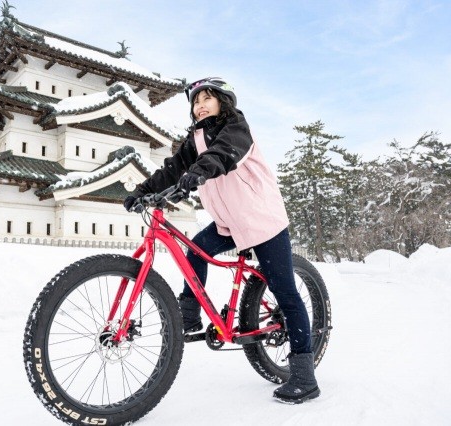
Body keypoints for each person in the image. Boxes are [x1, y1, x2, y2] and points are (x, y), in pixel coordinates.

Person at [123, 77, 319, 404]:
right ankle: (188, 317)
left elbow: (222, 154)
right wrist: (143, 192)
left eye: (207, 99)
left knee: (284, 289)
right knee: (195, 251)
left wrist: (198, 173)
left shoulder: (236, 127)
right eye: (195, 101)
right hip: (228, 223)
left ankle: (304, 374)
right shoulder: (196, 137)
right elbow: (173, 168)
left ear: (222, 102)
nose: (199, 105)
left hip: (262, 221)